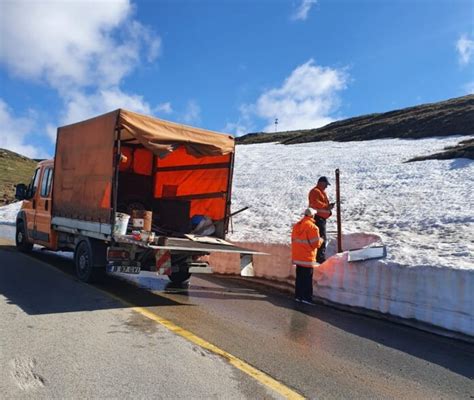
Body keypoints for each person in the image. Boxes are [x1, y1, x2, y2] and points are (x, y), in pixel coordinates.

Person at [291, 208, 324, 304]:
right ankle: (306, 298)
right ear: (312, 216)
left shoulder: (297, 226)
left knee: (299, 278)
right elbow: (316, 244)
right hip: (307, 258)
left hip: (298, 257)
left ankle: (298, 296)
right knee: (307, 279)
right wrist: (321, 239)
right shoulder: (313, 227)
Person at [308, 176, 334, 263]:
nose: (326, 186)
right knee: (320, 239)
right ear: (321, 183)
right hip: (318, 218)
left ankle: (319, 258)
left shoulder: (321, 192)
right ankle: (319, 259)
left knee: (321, 238)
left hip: (321, 218)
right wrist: (327, 207)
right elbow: (315, 203)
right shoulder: (315, 191)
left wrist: (328, 207)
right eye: (326, 184)